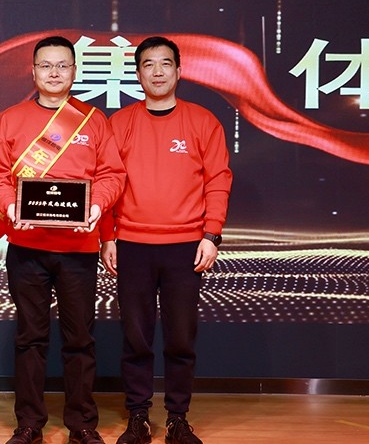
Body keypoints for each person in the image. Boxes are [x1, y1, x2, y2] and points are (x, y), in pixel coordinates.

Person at [0, 36, 126, 444]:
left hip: (78, 250)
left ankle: (82, 424)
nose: (54, 72)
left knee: (80, 339)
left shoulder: (93, 120)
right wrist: (10, 205)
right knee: (30, 338)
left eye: (62, 65)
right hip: (27, 248)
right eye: (46, 65)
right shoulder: (12, 119)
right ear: (33, 71)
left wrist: (96, 206)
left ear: (75, 71)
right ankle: (29, 423)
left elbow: (112, 174)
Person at [100, 37, 232, 444]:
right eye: (148, 64)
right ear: (138, 74)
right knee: (135, 337)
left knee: (180, 338)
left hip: (186, 246)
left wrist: (211, 234)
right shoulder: (119, 123)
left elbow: (218, 180)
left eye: (165, 64)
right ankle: (138, 416)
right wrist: (108, 236)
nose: (157, 72)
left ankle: (178, 418)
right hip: (132, 244)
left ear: (179, 70)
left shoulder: (203, 121)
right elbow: (106, 181)